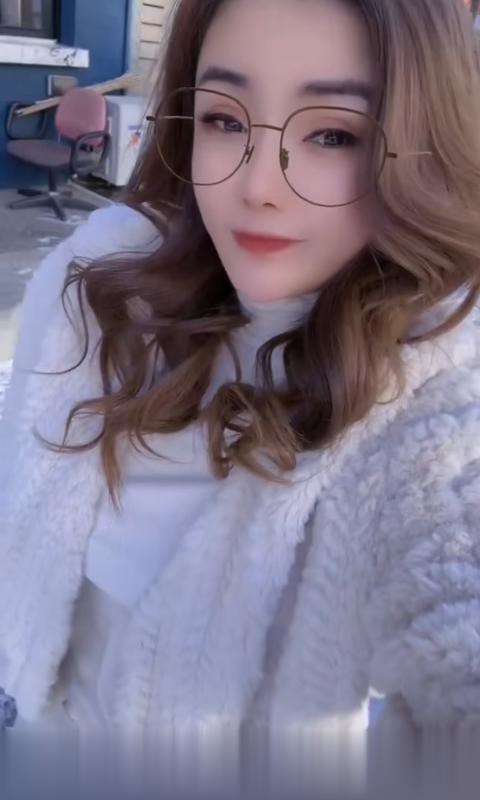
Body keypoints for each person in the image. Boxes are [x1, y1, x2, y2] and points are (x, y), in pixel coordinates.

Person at [1, 0, 480, 756]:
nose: (258, 185)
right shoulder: (94, 295)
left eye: (334, 133)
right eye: (224, 119)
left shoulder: (430, 392)